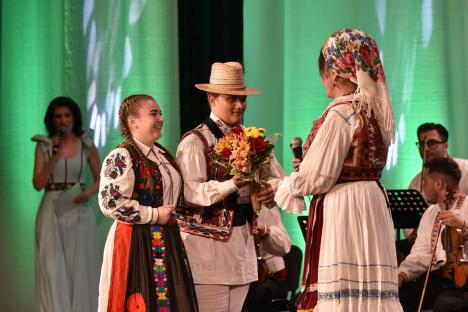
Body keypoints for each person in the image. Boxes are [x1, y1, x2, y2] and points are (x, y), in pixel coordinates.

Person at [275, 28, 402, 311]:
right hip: (372, 202)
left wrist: (289, 184)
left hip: (345, 207)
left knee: (343, 291)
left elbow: (317, 178)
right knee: (366, 289)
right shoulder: (377, 109)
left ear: (334, 71)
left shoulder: (341, 112)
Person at [176, 61, 285, 312]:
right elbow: (191, 192)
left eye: (242, 99)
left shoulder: (252, 139)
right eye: (231, 98)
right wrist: (231, 184)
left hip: (242, 245)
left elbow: (280, 179)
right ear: (211, 99)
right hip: (207, 249)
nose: (240, 105)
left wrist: (272, 192)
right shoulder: (196, 141)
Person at [98, 94, 198, 312]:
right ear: (133, 121)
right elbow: (110, 203)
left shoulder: (162, 154)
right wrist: (154, 215)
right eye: (154, 113)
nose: (161, 118)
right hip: (136, 242)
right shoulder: (122, 156)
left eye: (160, 113)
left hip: (167, 239)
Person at [32, 96, 101, 312]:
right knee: (52, 268)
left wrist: (87, 192)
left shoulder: (87, 144)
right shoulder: (44, 145)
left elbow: (102, 180)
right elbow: (38, 183)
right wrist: (54, 154)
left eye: (67, 115)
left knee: (79, 267)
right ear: (52, 120)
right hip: (51, 207)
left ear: (74, 117)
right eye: (58, 116)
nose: (63, 120)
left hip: (78, 207)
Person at [398, 157, 468, 312]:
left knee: (446, 304)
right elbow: (420, 254)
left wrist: (463, 226)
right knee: (402, 296)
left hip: (465, 281)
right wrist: (402, 274)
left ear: (438, 184)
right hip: (442, 277)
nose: (422, 188)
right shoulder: (430, 212)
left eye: (425, 182)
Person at [398, 123, 468, 263]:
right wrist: (414, 234)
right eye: (422, 144)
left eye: (432, 143)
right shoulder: (416, 182)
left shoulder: (466, 168)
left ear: (445, 145)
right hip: (432, 247)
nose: (426, 148)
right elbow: (410, 228)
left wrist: (462, 225)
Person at [243, 206, 291, 312]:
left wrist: (266, 231)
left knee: (254, 296)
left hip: (269, 277)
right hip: (243, 277)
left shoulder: (265, 203)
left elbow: (285, 246)